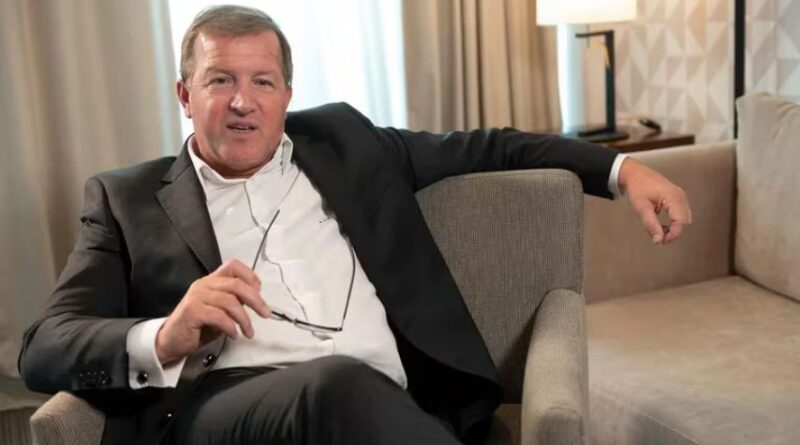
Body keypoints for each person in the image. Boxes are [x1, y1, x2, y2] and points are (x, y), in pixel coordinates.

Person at [18, 5, 691, 445]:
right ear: (184, 95)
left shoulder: (346, 143)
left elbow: (487, 147)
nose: (243, 101)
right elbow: (43, 345)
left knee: (346, 387)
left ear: (288, 94)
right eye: (220, 80)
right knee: (332, 384)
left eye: (262, 82)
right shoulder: (127, 197)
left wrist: (621, 170)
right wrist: (166, 333)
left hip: (390, 405)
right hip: (224, 407)